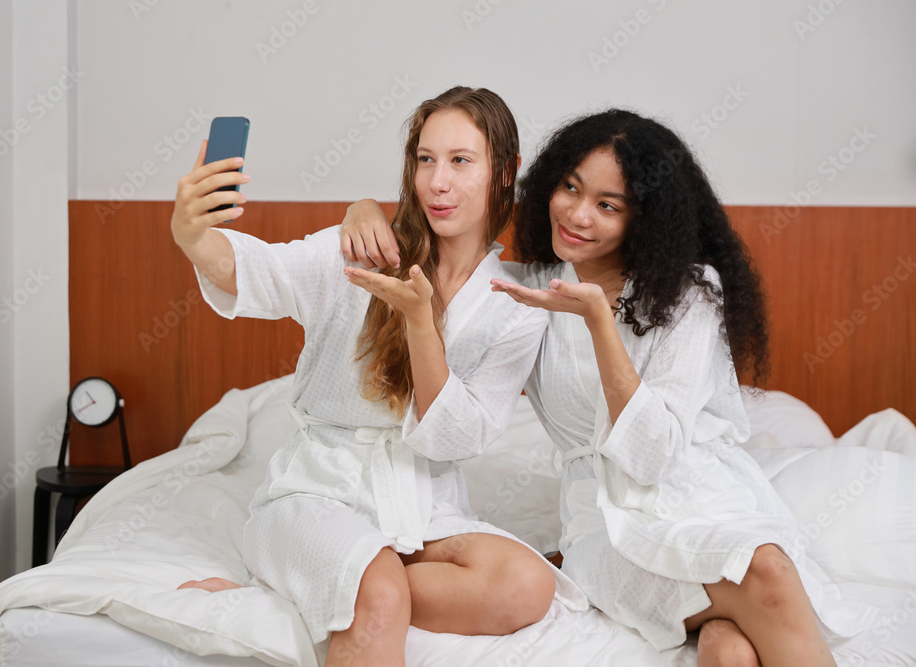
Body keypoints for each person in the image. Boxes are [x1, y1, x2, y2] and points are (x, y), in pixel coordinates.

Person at [339, 109, 875, 666]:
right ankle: (725, 616)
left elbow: (654, 454)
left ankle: (719, 629)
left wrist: (601, 322)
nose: (577, 214)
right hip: (607, 525)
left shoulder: (691, 294)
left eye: (607, 205)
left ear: (644, 219)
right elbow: (441, 255)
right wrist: (365, 210)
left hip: (712, 501)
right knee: (765, 570)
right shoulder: (522, 293)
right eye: (570, 188)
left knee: (734, 647)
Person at [169, 86, 576, 667]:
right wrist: (193, 236)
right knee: (379, 593)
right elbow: (253, 270)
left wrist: (420, 325)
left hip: (423, 507)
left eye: (461, 161)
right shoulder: (362, 251)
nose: (437, 182)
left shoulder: (515, 302)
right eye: (426, 159)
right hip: (317, 495)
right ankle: (345, 579)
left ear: (504, 171)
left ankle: (307, 587)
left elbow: (457, 438)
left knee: (525, 585)